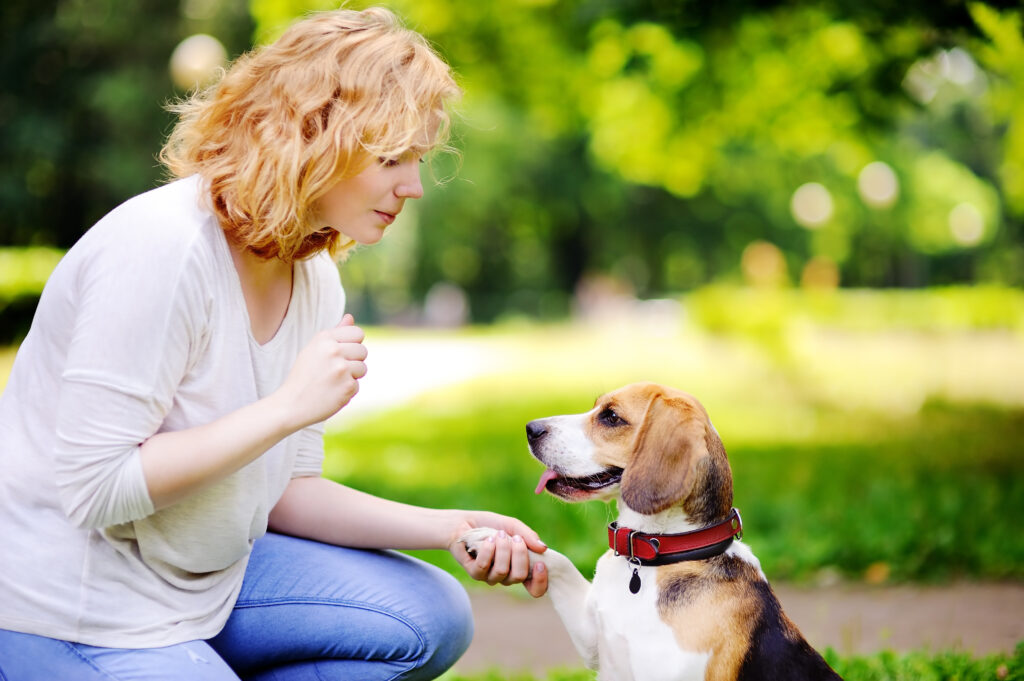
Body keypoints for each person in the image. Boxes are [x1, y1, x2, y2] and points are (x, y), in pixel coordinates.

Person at [0, 7, 548, 680]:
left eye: (418, 159)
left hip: (208, 583)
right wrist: (286, 406)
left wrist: (452, 525)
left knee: (430, 614)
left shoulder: (313, 276)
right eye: (390, 158)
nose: (412, 185)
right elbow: (96, 487)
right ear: (314, 138)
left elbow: (286, 492)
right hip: (75, 604)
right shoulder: (162, 249)